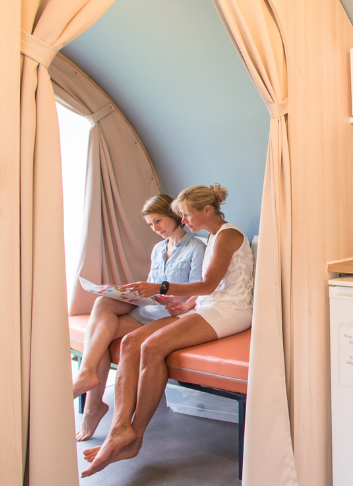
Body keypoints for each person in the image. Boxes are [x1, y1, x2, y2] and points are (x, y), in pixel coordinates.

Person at [81, 184, 254, 477]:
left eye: (187, 215)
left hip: (231, 309)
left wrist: (160, 288)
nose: (183, 221)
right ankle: (119, 428)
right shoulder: (214, 236)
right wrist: (185, 304)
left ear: (206, 210)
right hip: (209, 305)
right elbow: (206, 290)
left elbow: (208, 285)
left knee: (152, 346)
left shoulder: (228, 235)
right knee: (132, 342)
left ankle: (135, 435)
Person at [73, 193, 205, 441]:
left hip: (172, 314)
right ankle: (89, 384)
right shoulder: (158, 249)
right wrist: (131, 293)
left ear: (174, 215)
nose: (155, 228)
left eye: (158, 221)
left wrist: (179, 302)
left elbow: (200, 288)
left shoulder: (196, 248)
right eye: (150, 224)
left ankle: (92, 406)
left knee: (102, 334)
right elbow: (153, 285)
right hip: (148, 309)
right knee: (103, 303)